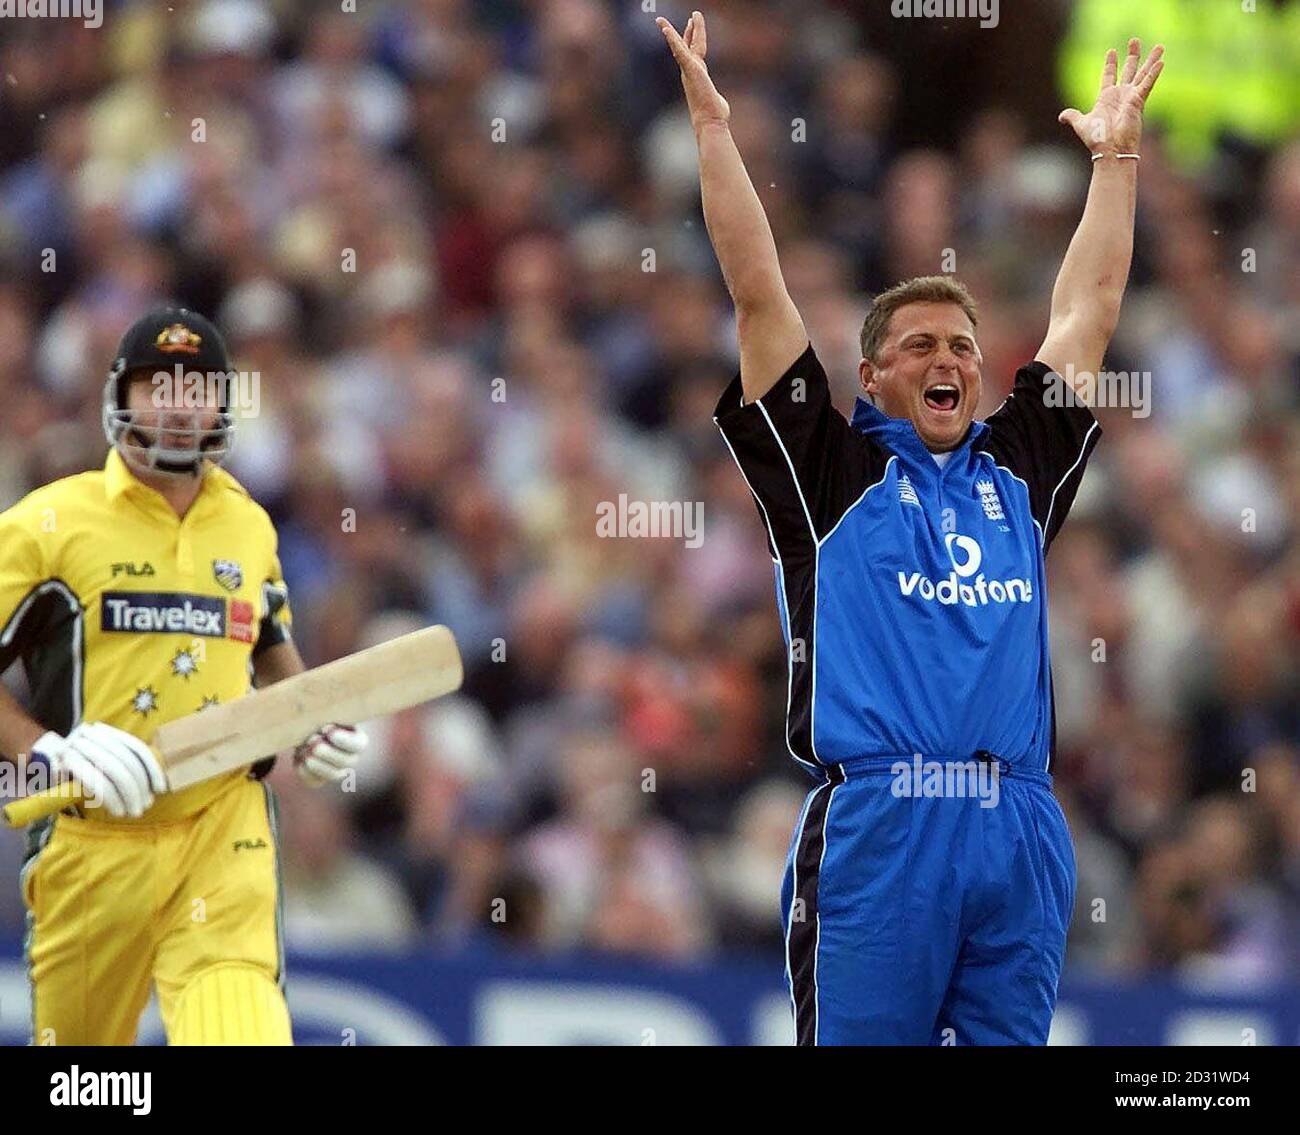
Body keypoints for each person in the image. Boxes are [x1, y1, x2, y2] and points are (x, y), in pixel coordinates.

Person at [658, 11, 1162, 1044]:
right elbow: (758, 297)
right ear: (875, 373)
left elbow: (1089, 308)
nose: (949, 360)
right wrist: (714, 133)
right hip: (882, 826)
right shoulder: (828, 470)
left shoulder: (1018, 469)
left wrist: (1114, 161)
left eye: (965, 347)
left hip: (1016, 823)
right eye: (922, 343)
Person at [0, 307, 368, 1045]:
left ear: (224, 405)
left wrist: (309, 722)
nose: (176, 403)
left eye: (197, 386)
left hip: (221, 833)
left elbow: (270, 646)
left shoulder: (249, 525)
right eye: (155, 384)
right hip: (91, 842)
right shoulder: (48, 523)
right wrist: (42, 751)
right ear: (120, 396)